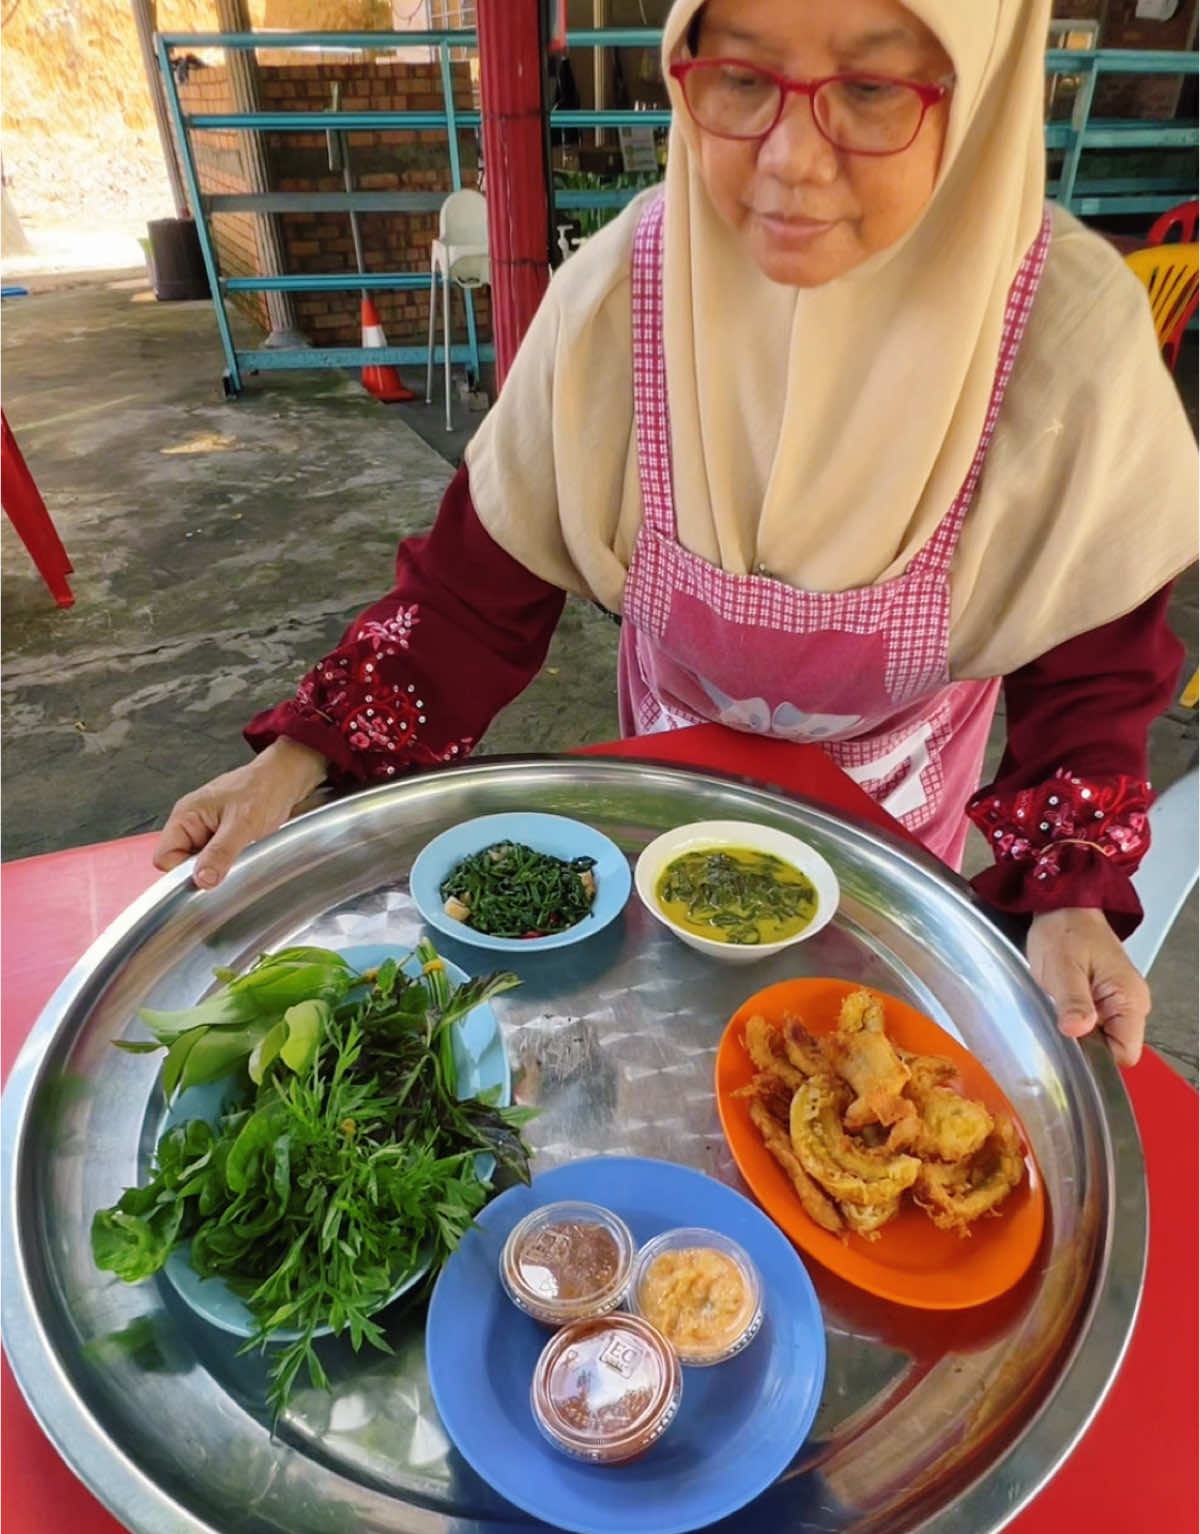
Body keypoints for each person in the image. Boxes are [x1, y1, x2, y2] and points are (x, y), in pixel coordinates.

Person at [154, 0, 1197, 1068]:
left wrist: (1069, 895)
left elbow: (1089, 667)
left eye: (874, 90)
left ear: (981, 93)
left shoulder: (1065, 343)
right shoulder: (622, 295)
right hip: (667, 790)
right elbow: (473, 593)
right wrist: (300, 758)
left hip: (898, 814)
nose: (789, 161)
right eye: (741, 82)